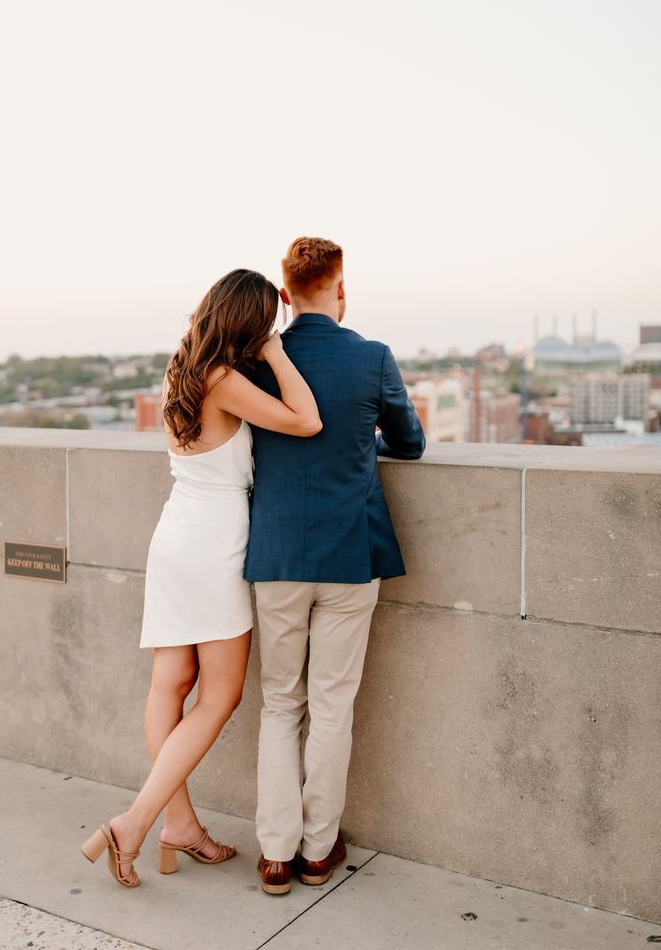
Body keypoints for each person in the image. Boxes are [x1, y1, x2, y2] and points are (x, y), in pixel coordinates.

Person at [80, 268, 321, 887]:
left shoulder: (181, 369)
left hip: (175, 536)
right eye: (264, 321)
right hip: (213, 544)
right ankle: (133, 823)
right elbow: (306, 420)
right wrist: (274, 349)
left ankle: (179, 827)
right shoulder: (223, 380)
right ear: (249, 322)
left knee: (170, 685)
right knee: (219, 697)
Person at [245, 237, 426, 894]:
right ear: (340, 287)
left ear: (287, 294)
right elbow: (410, 442)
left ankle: (273, 854)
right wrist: (359, 434)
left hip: (276, 556)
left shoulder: (256, 361)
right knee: (331, 705)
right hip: (350, 554)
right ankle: (319, 850)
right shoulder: (372, 357)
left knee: (278, 704)